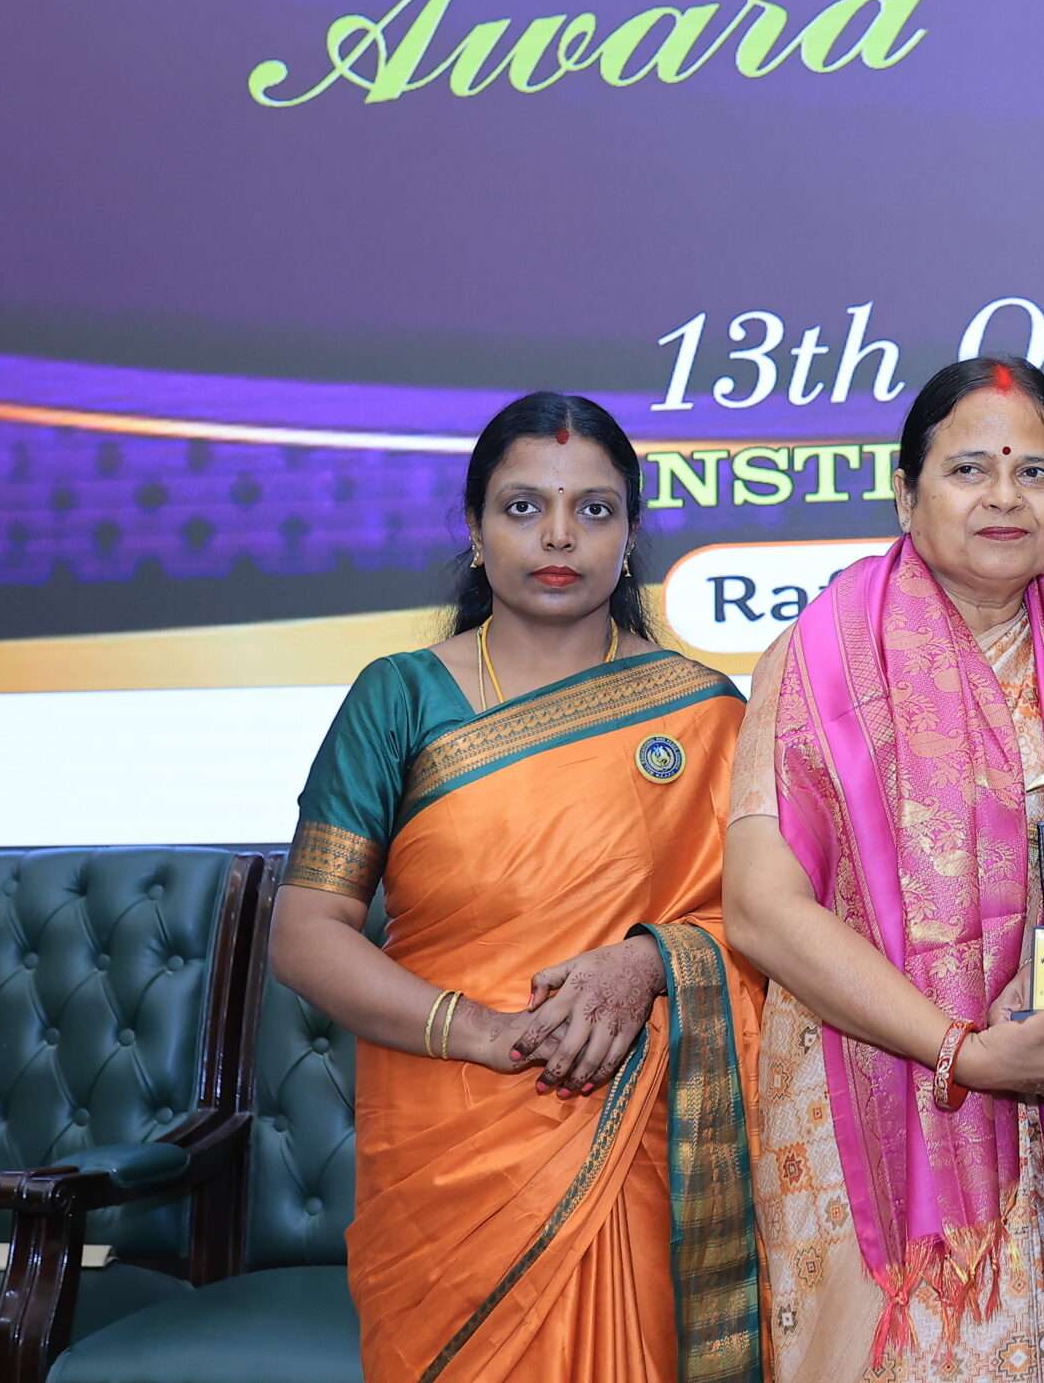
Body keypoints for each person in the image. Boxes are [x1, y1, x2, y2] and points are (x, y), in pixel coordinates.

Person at [721, 356, 1044, 1382]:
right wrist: (963, 1051)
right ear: (906, 493)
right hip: (881, 1117)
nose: (1005, 497)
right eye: (968, 470)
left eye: (1035, 472)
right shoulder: (816, 665)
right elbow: (763, 909)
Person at [270, 391, 762, 1382]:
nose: (559, 536)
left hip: (645, 1136)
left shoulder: (707, 714)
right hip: (449, 1142)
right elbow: (305, 932)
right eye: (524, 506)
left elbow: (768, 926)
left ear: (631, 533)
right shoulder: (398, 699)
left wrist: (647, 965)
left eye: (594, 509)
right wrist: (480, 1032)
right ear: (474, 527)